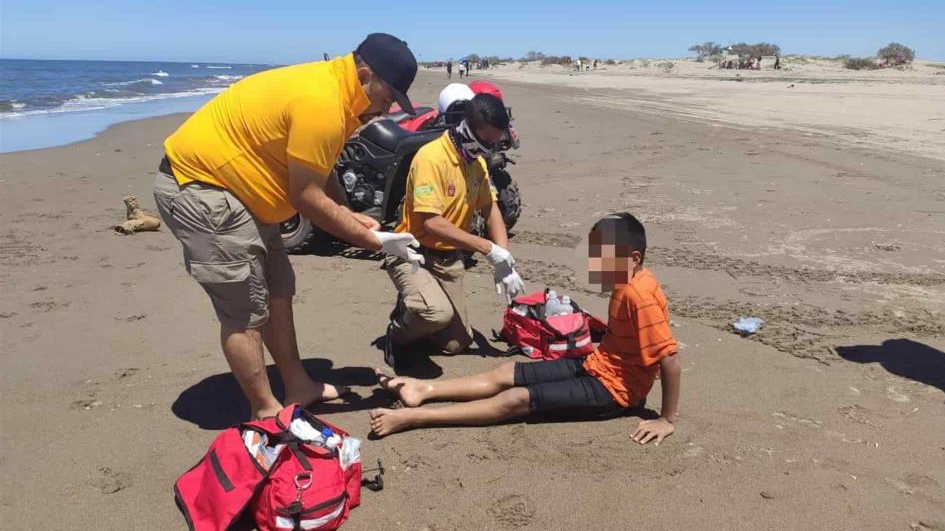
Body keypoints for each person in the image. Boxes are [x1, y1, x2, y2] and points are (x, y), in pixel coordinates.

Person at [154, 33, 426, 420]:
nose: (386, 109)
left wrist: (349, 215)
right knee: (244, 309)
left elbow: (321, 165)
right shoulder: (323, 101)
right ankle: (266, 412)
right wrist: (373, 241)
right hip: (202, 188)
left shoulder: (344, 94)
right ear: (364, 74)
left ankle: (298, 383)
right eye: (387, 97)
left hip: (247, 192)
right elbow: (306, 197)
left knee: (278, 287)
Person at [370, 213, 682, 447]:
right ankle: (423, 390)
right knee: (507, 371)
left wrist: (666, 419)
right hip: (597, 365)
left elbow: (669, 359)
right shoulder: (626, 282)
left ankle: (414, 417)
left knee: (515, 399)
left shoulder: (639, 295)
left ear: (634, 258)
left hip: (616, 391)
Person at [381, 93, 525, 367]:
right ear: (469, 130)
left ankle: (418, 310)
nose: (490, 148)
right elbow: (431, 223)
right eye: (487, 141)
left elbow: (490, 207)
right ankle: (398, 331)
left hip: (448, 260)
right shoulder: (431, 159)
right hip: (412, 254)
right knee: (435, 314)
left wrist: (505, 259)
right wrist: (488, 248)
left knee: (456, 343)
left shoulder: (476, 162)